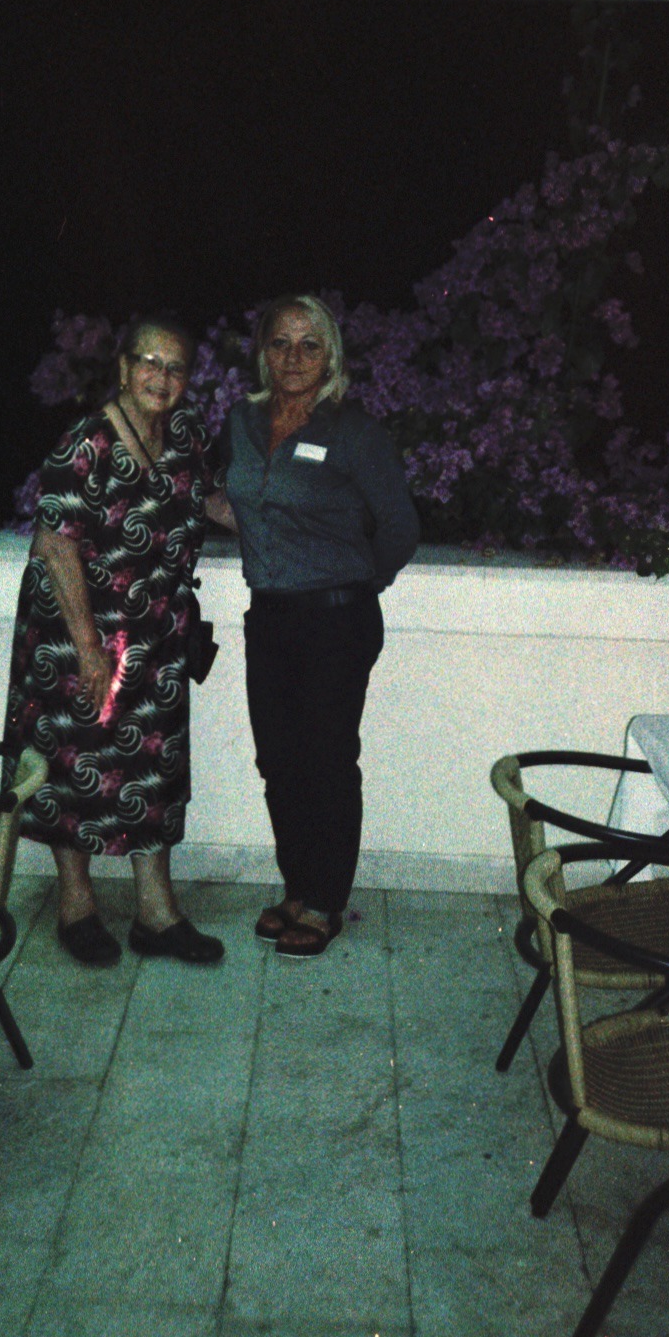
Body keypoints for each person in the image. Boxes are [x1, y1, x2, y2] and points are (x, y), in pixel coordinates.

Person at [3, 314, 234, 966]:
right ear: (125, 366)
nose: (161, 376)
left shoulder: (185, 432)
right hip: (76, 632)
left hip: (157, 635)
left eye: (175, 366)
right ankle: (76, 905)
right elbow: (55, 544)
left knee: (153, 768)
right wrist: (86, 649)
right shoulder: (86, 440)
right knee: (74, 765)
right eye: (148, 362)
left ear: (188, 378)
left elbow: (207, 499)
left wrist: (285, 516)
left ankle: (156, 914)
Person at [224, 294, 420, 958]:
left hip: (336, 621)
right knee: (278, 761)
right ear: (263, 352)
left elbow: (400, 526)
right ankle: (297, 885)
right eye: (281, 343)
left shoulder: (353, 431)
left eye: (309, 344)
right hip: (270, 617)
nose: (294, 357)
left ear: (330, 354)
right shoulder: (242, 422)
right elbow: (248, 505)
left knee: (327, 760)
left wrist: (358, 584)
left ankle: (326, 900)